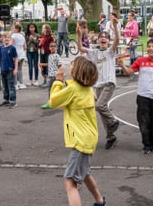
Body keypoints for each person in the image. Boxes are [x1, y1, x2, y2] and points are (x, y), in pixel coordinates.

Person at [48, 56, 106, 206]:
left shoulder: (73, 89)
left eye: (72, 66)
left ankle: (99, 201)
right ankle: (100, 201)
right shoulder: (87, 88)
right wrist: (64, 82)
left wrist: (58, 81)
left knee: (70, 182)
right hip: (88, 138)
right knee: (85, 173)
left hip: (81, 141)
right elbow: (73, 86)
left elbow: (53, 101)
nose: (69, 67)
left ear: (77, 72)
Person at [118, 38, 153, 154]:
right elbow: (129, 71)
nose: (151, 49)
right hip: (142, 97)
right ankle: (146, 144)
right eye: (149, 46)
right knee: (143, 121)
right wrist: (122, 65)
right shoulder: (140, 61)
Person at [77, 16, 120, 150]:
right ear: (98, 40)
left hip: (109, 82)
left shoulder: (110, 52)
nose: (103, 39)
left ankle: (113, 121)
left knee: (99, 105)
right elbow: (80, 48)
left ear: (108, 41)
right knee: (102, 111)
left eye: (106, 37)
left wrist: (115, 28)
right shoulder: (94, 52)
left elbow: (117, 40)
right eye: (101, 37)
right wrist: (79, 35)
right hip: (98, 85)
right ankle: (111, 137)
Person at [0, 32, 18, 109]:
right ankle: (6, 100)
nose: (6, 39)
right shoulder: (1, 48)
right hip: (3, 69)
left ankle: (13, 101)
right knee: (5, 86)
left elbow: (16, 59)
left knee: (11, 86)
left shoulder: (12, 48)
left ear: (10, 39)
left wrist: (16, 69)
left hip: (10, 70)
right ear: (2, 39)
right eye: (5, 37)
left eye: (8, 37)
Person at [41, 40, 62, 109]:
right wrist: (43, 64)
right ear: (49, 48)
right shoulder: (49, 56)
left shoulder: (57, 56)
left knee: (51, 89)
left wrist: (59, 74)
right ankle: (54, 102)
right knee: (52, 89)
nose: (52, 48)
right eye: (51, 46)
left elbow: (60, 65)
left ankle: (51, 102)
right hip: (50, 75)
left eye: (54, 46)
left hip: (55, 76)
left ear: (57, 48)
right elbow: (50, 64)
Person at [11, 22, 27, 90]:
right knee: (20, 69)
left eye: (14, 28)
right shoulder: (22, 36)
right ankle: (21, 83)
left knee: (15, 69)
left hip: (15, 54)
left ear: (17, 29)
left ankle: (15, 84)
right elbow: (25, 46)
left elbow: (11, 45)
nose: (12, 29)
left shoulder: (13, 36)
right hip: (21, 54)